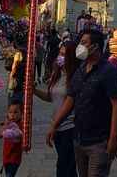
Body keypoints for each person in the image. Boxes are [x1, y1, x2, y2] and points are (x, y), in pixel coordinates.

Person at [46, 29, 117, 177]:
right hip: (79, 138)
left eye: (84, 43)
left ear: (95, 47)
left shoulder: (108, 71)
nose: (80, 46)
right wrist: (55, 124)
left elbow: (116, 105)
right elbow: (70, 98)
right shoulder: (80, 69)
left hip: (99, 141)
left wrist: (113, 138)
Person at [34, 42, 79, 177]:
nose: (60, 57)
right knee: (67, 168)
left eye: (64, 54)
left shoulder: (75, 77)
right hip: (57, 127)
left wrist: (54, 125)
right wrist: (34, 91)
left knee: (64, 166)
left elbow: (70, 103)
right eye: (60, 53)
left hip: (70, 127)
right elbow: (50, 97)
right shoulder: (58, 74)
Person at [0, 102, 23, 177]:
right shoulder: (8, 124)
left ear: (21, 113)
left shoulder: (20, 125)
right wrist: (5, 125)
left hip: (14, 158)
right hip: (6, 156)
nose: (12, 115)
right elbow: (1, 134)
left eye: (16, 112)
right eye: (10, 112)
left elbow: (18, 135)